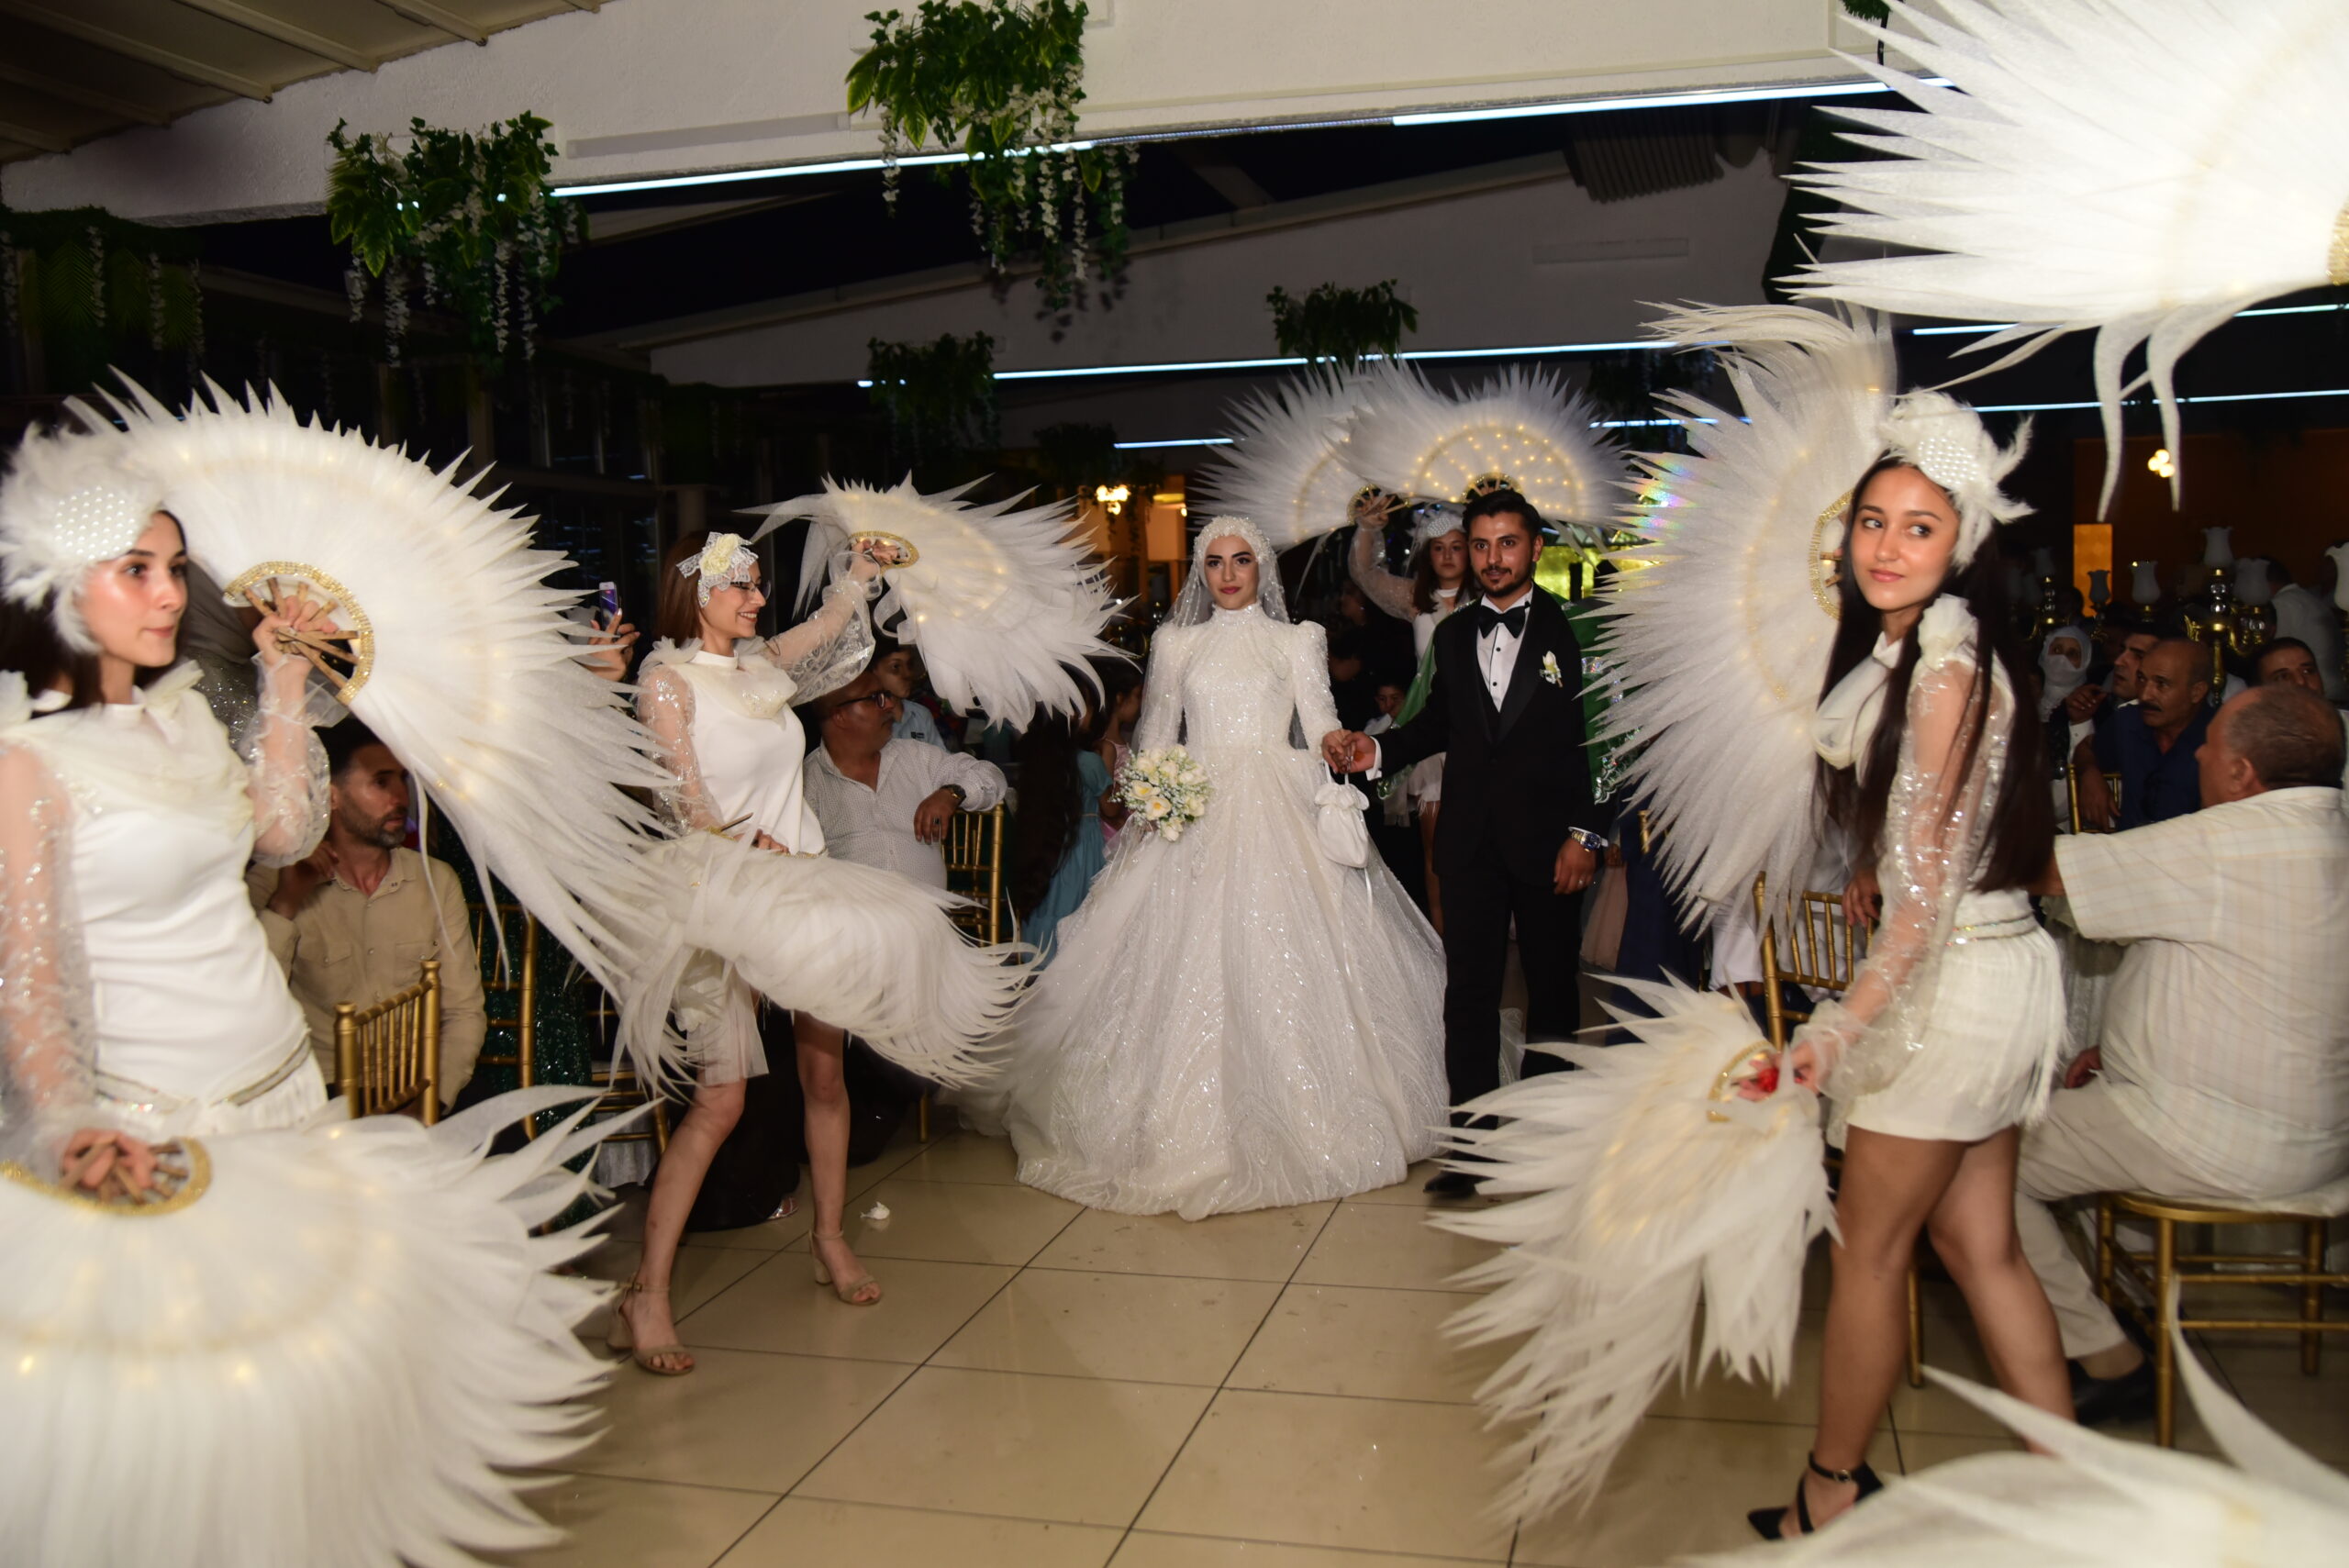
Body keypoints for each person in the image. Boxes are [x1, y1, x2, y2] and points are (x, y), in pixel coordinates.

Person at [1734, 411, 2073, 1539]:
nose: (1884, 546)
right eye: (1871, 521)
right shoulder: (1938, 656)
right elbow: (1942, 846)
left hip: (1951, 989)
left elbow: (1924, 909)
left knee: (1869, 1252)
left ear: (1961, 542)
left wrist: (1832, 1030)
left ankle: (1829, 1489)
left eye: (1918, 527)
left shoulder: (1941, 672)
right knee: (1979, 1244)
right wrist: (1889, 868)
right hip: (1999, 963)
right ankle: (2078, 1494)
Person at [998, 518, 1448, 1218]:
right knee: (1179, 953)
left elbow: (1318, 720)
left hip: (1277, 797)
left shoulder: (1298, 639)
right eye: (1214, 562)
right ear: (1200, 571)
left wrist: (1340, 745)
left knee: (1287, 947)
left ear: (1261, 567)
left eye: (1241, 560)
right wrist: (1151, 792)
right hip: (1196, 801)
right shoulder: (1176, 643)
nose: (1229, 574)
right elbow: (1156, 733)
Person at [2020, 683, 2349, 1423]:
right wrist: (2120, 1044)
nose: (2198, 753)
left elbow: (2050, 870)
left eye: (2211, 744)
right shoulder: (2333, 833)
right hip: (2324, 1140)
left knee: (1975, 1158)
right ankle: (2116, 1306)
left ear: (2242, 772)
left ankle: (2106, 1354)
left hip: (2212, 1136)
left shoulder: (2230, 840)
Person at [620, 528, 891, 1373]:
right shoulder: (665, 682)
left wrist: (860, 572)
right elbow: (685, 800)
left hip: (798, 882)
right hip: (719, 892)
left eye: (759, 584)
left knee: (825, 1075)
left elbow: (830, 624)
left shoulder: (765, 667)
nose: (758, 598)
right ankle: (647, 1292)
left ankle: (830, 1239)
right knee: (721, 1099)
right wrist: (744, 841)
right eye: (740, 584)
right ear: (697, 593)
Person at [1331, 488, 1608, 1196]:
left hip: (1550, 844)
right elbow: (1433, 725)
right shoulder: (1454, 634)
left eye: (1506, 543)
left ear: (1535, 548)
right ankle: (1471, 1149)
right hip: (1470, 842)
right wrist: (1373, 751)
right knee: (1469, 995)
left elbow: (1602, 741)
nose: (1491, 558)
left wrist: (1586, 835)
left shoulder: (1574, 629)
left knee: (1552, 991)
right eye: (1480, 545)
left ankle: (1543, 1137)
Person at [255, 720, 488, 1109]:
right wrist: (287, 902)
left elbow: (463, 1011)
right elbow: (247, 1005)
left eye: (402, 780)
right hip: (322, 1094)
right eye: (381, 782)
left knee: (504, 1137)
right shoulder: (274, 879)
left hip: (420, 1082)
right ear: (331, 796)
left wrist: (434, 1097)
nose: (400, 796)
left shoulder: (434, 879)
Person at [1351, 497, 1472, 930]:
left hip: (1482, 735)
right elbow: (1366, 575)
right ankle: (1442, 945)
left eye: (1456, 547)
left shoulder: (1491, 597)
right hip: (1433, 736)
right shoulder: (1416, 600)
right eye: (1438, 548)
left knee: (1482, 847)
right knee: (1436, 849)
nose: (1447, 556)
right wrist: (1368, 529)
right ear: (1427, 554)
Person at [805, 667, 1007, 889]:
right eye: (875, 698)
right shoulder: (807, 782)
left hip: (929, 908)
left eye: (886, 696)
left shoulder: (916, 756)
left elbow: (991, 777)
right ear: (840, 716)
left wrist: (952, 793)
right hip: (852, 908)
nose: (890, 705)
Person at [2077, 637, 2210, 829]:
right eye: (2141, 679)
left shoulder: (2221, 738)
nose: (2145, 695)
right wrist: (2089, 772)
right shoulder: (2128, 722)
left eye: (2161, 684)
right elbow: (2086, 748)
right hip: (2128, 845)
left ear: (2196, 692)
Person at [2268, 559, 2344, 701]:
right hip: (2333, 687)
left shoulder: (2283, 603)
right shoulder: (2307, 597)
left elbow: (2276, 653)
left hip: (2319, 693)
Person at [873, 637, 949, 748]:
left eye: (909, 665)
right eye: (896, 667)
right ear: (874, 670)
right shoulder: (869, 719)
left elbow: (940, 756)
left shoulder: (921, 715)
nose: (907, 674)